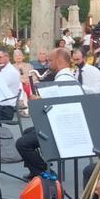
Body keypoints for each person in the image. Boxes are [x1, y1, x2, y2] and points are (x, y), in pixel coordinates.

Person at [16, 48, 83, 178]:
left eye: (50, 61)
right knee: (27, 132)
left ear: (58, 62)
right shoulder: (67, 77)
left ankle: (44, 173)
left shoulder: (63, 80)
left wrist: (38, 101)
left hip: (64, 130)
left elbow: (56, 109)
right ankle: (34, 169)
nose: (48, 64)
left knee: (22, 143)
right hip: (66, 125)